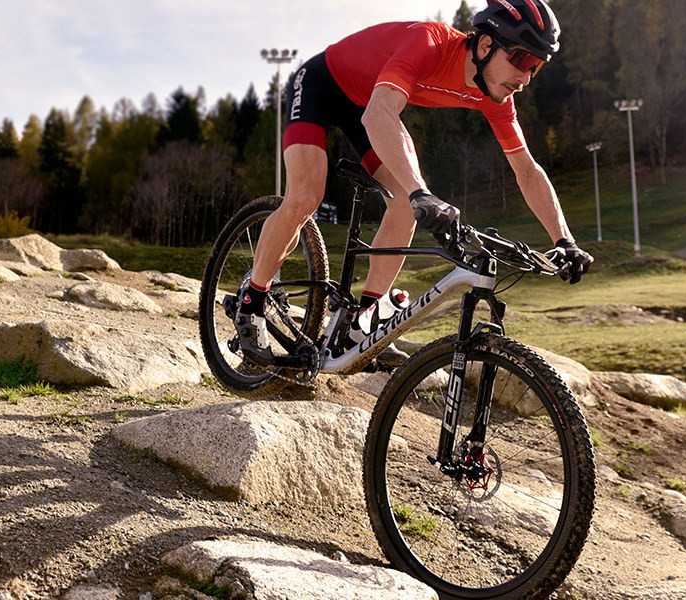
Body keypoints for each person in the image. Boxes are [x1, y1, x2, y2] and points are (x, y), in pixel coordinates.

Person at [235, 0, 594, 364]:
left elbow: (527, 170)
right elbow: (379, 114)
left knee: (406, 205)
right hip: (321, 85)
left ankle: (362, 320)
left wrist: (564, 240)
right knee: (305, 197)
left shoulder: (496, 96)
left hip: (370, 101)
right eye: (522, 60)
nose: (526, 77)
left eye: (536, 66)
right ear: (486, 45)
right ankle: (251, 301)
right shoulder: (429, 42)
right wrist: (419, 192)